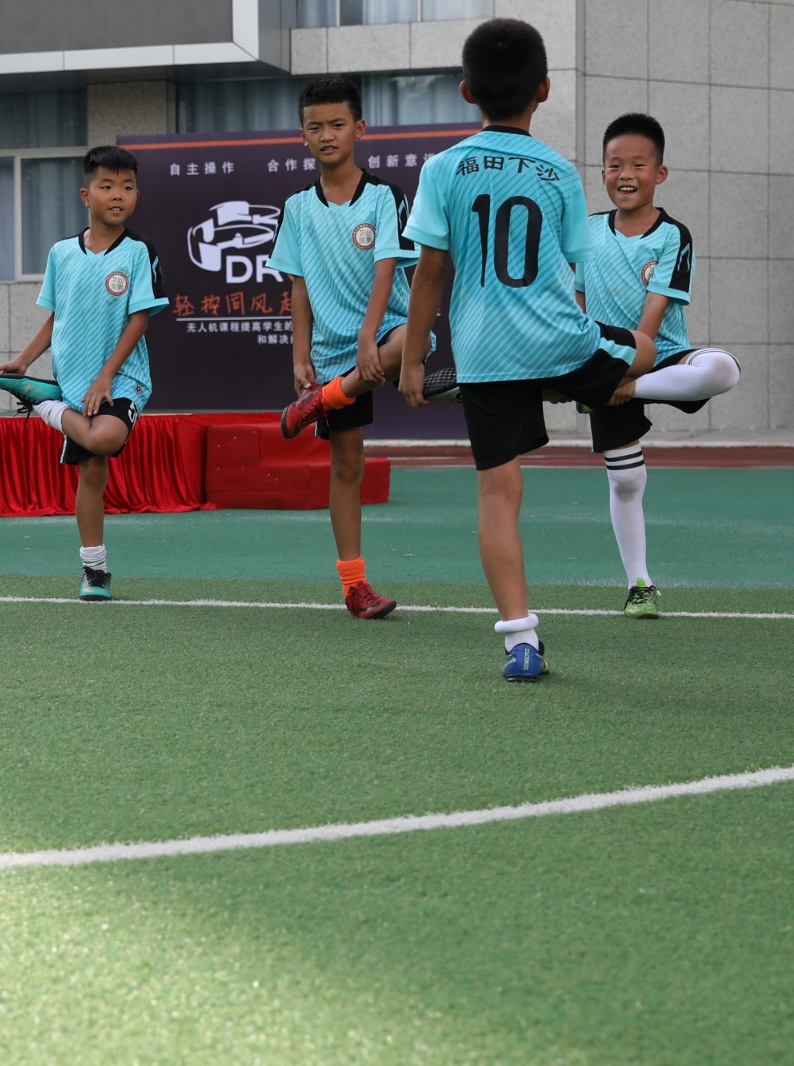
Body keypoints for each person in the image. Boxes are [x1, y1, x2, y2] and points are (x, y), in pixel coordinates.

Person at [396, 18, 664, 681]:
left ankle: (520, 640)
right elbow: (571, 275)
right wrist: (572, 360)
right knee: (645, 352)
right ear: (543, 88)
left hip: (484, 353)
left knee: (498, 494)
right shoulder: (559, 172)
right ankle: (612, 384)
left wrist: (412, 360)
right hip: (559, 339)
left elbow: (429, 273)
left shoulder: (443, 167)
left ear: (466, 91)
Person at [271, 74, 435, 620]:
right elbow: (298, 287)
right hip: (333, 352)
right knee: (347, 465)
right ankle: (354, 586)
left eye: (337, 124)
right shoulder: (297, 207)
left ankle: (325, 399)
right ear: (302, 136)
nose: (327, 135)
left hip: (383, 333)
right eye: (315, 127)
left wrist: (369, 335)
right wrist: (300, 357)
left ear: (359, 128)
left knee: (414, 339)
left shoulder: (386, 196)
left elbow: (387, 267)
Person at [575, 112, 740, 620]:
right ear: (603, 172)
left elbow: (653, 317)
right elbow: (577, 304)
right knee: (626, 482)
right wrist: (589, 364)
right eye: (614, 165)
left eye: (638, 164)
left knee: (724, 370)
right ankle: (639, 585)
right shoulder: (586, 230)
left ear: (660, 173)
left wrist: (625, 380)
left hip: (660, 355)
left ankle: (616, 390)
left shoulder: (673, 236)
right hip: (604, 360)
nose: (625, 174)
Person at [0, 145, 168, 601]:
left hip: (122, 378)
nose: (118, 195)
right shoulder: (62, 253)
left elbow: (140, 319)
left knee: (106, 438)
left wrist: (106, 377)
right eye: (107, 186)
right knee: (92, 474)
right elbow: (57, 316)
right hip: (74, 380)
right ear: (86, 196)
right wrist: (24, 361)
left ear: (137, 195)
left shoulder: (139, 252)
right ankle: (95, 571)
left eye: (127, 187)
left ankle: (43, 405)